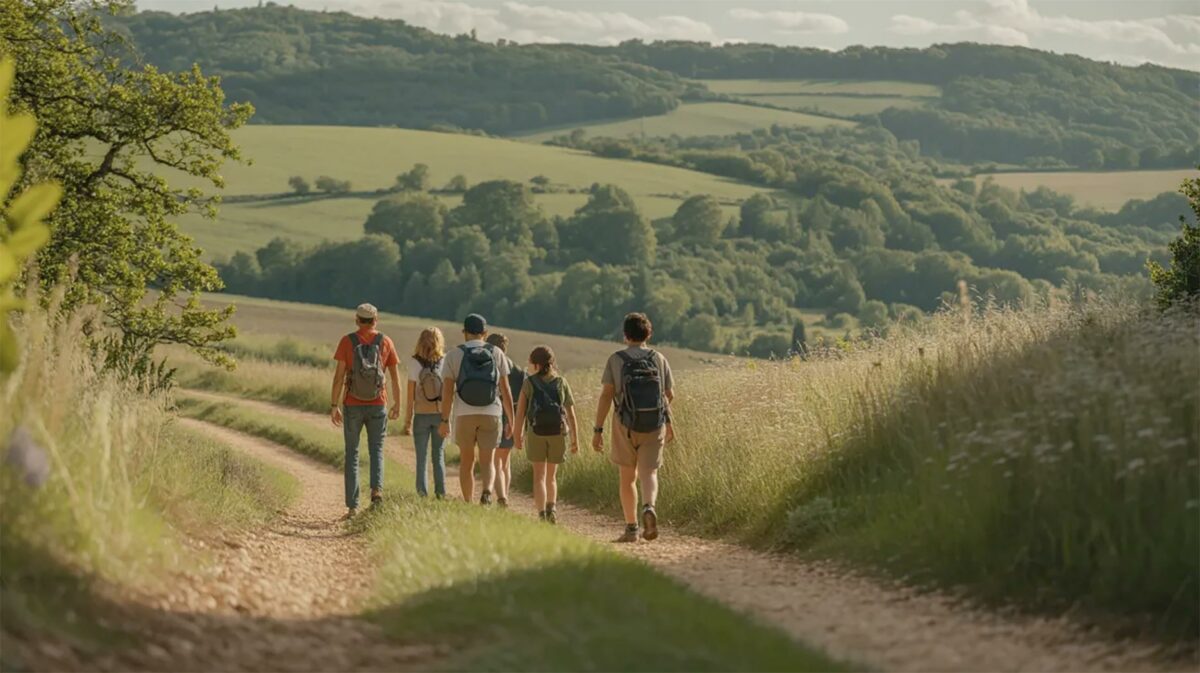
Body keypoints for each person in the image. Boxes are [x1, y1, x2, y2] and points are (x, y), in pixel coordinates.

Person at [592, 312, 675, 542]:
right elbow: (668, 394)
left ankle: (631, 529)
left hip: (624, 425)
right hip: (654, 424)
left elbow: (607, 395)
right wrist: (667, 420)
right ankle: (649, 506)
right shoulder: (659, 358)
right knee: (649, 473)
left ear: (625, 335)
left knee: (627, 477)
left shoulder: (616, 359)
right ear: (649, 334)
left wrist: (598, 430)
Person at [331, 303, 401, 518]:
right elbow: (395, 376)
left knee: (352, 453)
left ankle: (352, 507)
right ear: (376, 320)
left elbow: (339, 376)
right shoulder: (385, 341)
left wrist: (334, 405)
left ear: (356, 320)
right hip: (378, 403)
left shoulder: (347, 341)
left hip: (352, 403)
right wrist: (397, 404)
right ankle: (376, 493)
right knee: (376, 451)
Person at [438, 313, 515, 505]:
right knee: (488, 460)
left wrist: (444, 420)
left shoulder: (454, 355)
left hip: (464, 413)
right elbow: (506, 390)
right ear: (485, 332)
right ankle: (488, 491)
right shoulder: (497, 352)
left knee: (467, 461)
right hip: (491, 413)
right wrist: (512, 421)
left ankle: (468, 501)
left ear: (464, 332)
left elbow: (447, 393)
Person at [513, 346, 578, 524]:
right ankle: (552, 508)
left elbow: (520, 413)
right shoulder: (561, 382)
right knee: (551, 476)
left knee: (539, 477)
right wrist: (575, 439)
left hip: (536, 432)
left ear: (536, 364)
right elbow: (571, 414)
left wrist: (517, 435)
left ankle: (542, 514)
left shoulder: (529, 383)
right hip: (558, 433)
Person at [404, 327, 447, 499]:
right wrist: (447, 418)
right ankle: (441, 494)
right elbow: (449, 393)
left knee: (421, 458)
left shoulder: (414, 363)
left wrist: (408, 421)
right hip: (439, 415)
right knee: (439, 455)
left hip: (421, 415)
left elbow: (410, 396)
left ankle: (422, 493)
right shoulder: (445, 361)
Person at [485, 332, 524, 508]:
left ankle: (502, 498)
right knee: (505, 461)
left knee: (496, 461)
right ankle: (505, 494)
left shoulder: (488, 366)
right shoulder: (518, 371)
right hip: (512, 417)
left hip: (495, 415)